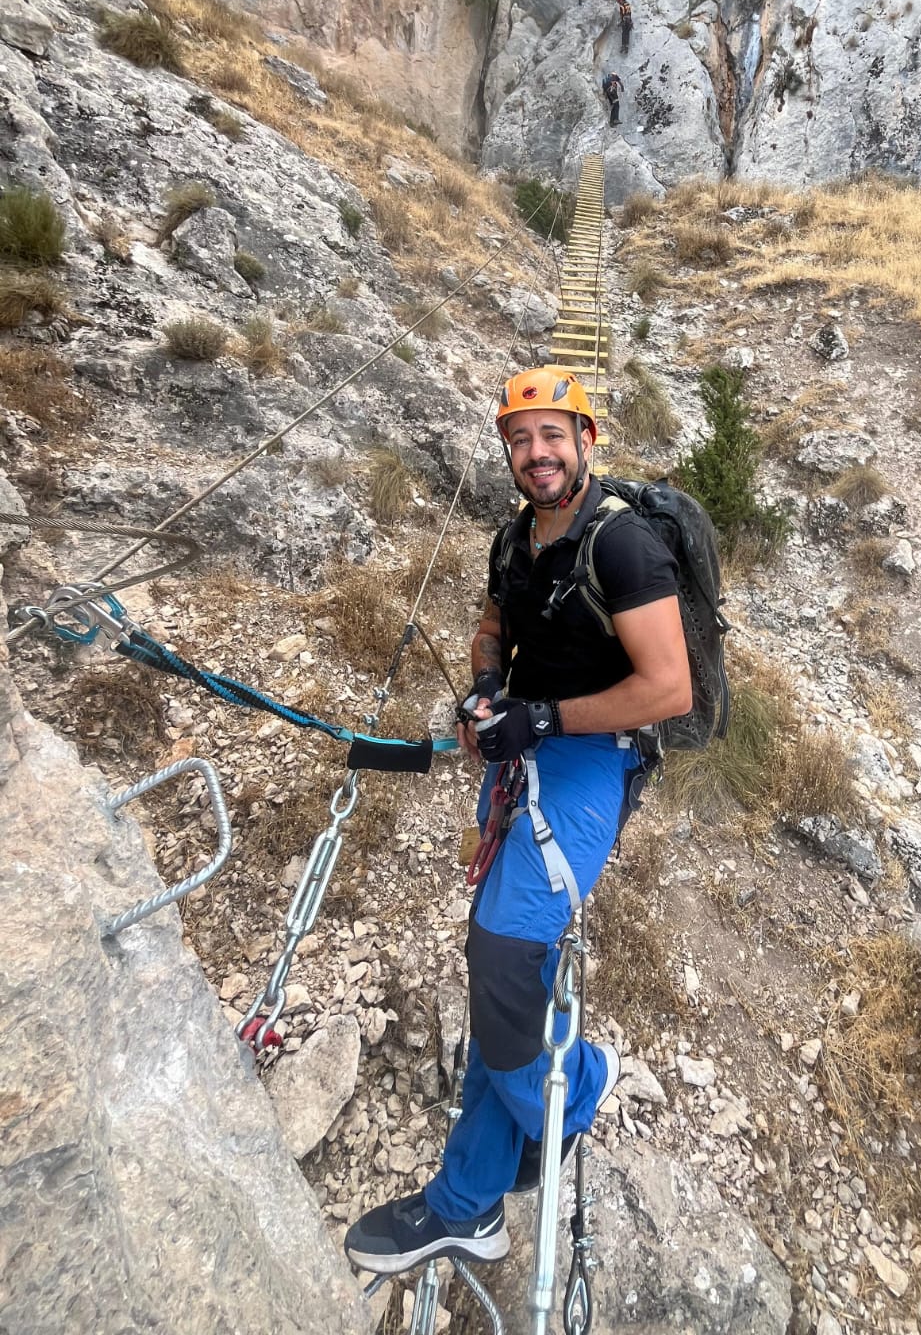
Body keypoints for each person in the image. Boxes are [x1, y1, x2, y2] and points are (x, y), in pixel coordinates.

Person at [343, 368, 691, 1275]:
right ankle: (469, 1203)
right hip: (526, 752)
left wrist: (546, 720)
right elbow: (492, 627)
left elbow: (668, 686)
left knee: (503, 955)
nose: (537, 454)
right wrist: (488, 692)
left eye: (553, 436)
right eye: (520, 439)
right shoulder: (515, 540)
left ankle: (574, 1090)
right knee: (504, 967)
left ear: (586, 439)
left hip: (590, 761)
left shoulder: (624, 548)